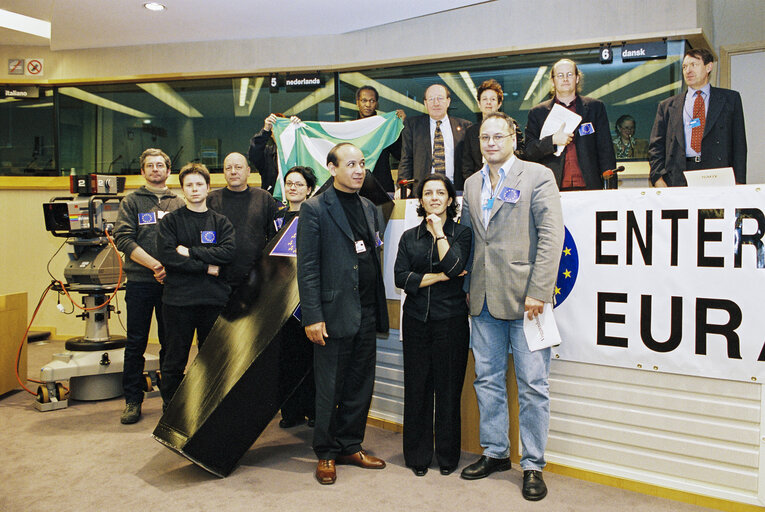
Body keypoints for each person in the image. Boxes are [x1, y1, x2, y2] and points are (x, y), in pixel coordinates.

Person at [460, 113, 563, 502]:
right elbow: (471, 239)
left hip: (528, 301)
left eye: (497, 135)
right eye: (484, 137)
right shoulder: (471, 183)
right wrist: (468, 284)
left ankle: (533, 464)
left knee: (534, 385)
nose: (490, 142)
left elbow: (552, 237)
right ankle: (496, 453)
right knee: (486, 379)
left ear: (513, 138)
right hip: (483, 298)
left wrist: (539, 290)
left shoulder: (537, 176)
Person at [296, 143, 389, 485]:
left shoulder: (369, 206)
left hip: (365, 310)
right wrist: (313, 316)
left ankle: (350, 444)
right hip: (331, 314)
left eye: (362, 163)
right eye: (351, 164)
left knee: (360, 384)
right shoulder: (315, 208)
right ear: (332, 168)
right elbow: (306, 268)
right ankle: (325, 452)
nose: (359, 169)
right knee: (329, 387)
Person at [393, 174, 472, 477]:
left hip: (450, 322)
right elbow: (401, 278)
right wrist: (439, 278)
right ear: (421, 200)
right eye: (428, 193)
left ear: (451, 200)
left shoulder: (462, 233)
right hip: (415, 321)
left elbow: (454, 264)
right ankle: (418, 456)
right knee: (417, 390)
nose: (434, 198)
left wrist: (439, 231)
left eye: (441, 193)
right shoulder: (409, 237)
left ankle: (448, 457)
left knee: (448, 391)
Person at [113, 148, 185, 424]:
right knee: (136, 343)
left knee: (172, 343)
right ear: (142, 171)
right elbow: (123, 239)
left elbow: (187, 240)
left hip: (172, 285)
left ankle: (171, 398)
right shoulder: (131, 202)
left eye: (160, 165)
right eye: (150, 166)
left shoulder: (178, 202)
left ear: (168, 171)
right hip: (141, 283)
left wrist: (169, 267)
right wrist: (154, 265)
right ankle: (133, 400)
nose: (155, 169)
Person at [157, 163, 236, 407]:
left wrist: (190, 252)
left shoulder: (221, 222)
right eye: (189, 185)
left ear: (208, 188)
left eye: (199, 184)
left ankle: (207, 406)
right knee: (174, 358)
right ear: (182, 190)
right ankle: (171, 407)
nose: (194, 189)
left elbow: (228, 253)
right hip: (178, 302)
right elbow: (169, 258)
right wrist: (206, 267)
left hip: (212, 301)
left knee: (211, 358)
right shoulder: (171, 222)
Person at [648, 48, 747, 186]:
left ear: (708, 67)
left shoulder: (730, 99)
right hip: (678, 176)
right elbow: (656, 147)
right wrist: (658, 178)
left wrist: (740, 181)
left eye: (694, 65)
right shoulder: (667, 106)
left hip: (717, 175)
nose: (688, 70)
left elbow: (739, 145)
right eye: (684, 67)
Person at [525, 59, 616, 190]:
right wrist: (552, 141)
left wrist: (611, 190)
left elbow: (606, 151)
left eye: (569, 74)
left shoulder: (595, 108)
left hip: (589, 187)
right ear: (552, 81)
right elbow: (528, 152)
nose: (565, 79)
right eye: (560, 75)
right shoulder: (537, 113)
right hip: (552, 189)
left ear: (577, 78)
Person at [274, 166, 318, 429]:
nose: (293, 188)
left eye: (299, 184)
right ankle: (290, 412)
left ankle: (313, 410)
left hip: (307, 297)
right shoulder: (276, 217)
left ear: (309, 189)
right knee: (286, 357)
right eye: (289, 183)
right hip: (280, 298)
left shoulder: (315, 217)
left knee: (311, 358)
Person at [207, 152, 279, 296]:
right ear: (224, 172)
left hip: (256, 277)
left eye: (238, 167)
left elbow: (273, 238)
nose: (233, 172)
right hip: (219, 277)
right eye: (228, 168)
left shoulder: (264, 198)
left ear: (248, 171)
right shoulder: (211, 199)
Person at [397, 84, 472, 196]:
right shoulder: (413, 126)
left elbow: (469, 163)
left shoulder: (465, 127)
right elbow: (406, 159)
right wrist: (403, 187)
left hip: (455, 190)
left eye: (440, 98)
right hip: (423, 191)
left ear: (448, 101)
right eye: (431, 99)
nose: (436, 103)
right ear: (425, 103)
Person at [356, 85, 406, 193]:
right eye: (364, 100)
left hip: (382, 186)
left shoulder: (385, 127)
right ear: (357, 103)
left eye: (372, 101)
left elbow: (401, 154)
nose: (368, 104)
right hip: (356, 188)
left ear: (376, 103)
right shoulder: (350, 129)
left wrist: (400, 127)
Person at [247, 114, 301, 193]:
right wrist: (265, 130)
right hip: (271, 201)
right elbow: (253, 154)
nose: (279, 133)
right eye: (276, 129)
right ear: (271, 134)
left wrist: (297, 128)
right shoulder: (267, 154)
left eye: (283, 129)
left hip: (297, 199)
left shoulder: (298, 152)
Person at [462, 79, 504, 179]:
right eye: (484, 99)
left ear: (499, 104)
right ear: (479, 104)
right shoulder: (471, 132)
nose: (488, 102)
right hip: (479, 183)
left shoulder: (510, 127)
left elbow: (519, 155)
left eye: (493, 99)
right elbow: (467, 164)